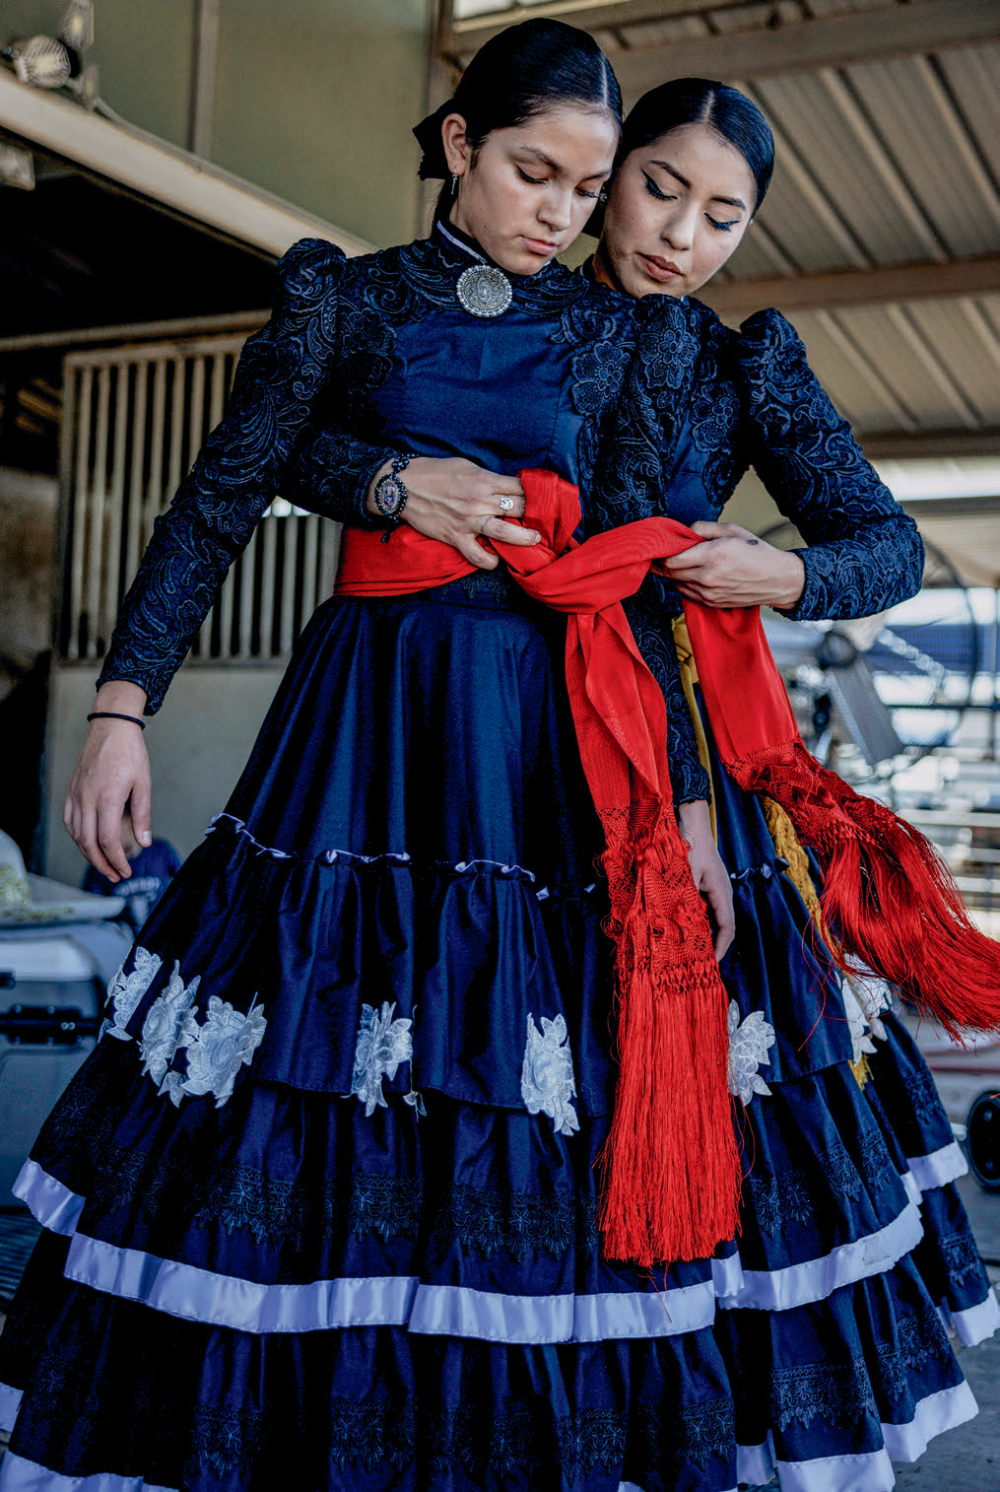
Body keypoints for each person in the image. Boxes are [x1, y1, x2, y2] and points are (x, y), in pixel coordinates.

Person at [0, 36, 994, 1490]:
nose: (652, 230)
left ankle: (562, 1416)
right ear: (459, 142)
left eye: (708, 213)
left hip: (580, 739)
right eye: (622, 189)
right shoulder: (379, 298)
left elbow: (646, 584)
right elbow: (245, 474)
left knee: (562, 1068)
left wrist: (725, 725)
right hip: (379, 731)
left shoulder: (670, 346)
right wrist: (129, 697)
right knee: (326, 1046)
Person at [82, 810, 181, 933]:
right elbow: (92, 914)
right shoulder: (100, 866)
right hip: (122, 945)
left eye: (111, 824)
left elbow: (188, 888)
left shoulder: (161, 851)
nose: (105, 833)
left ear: (129, 821)